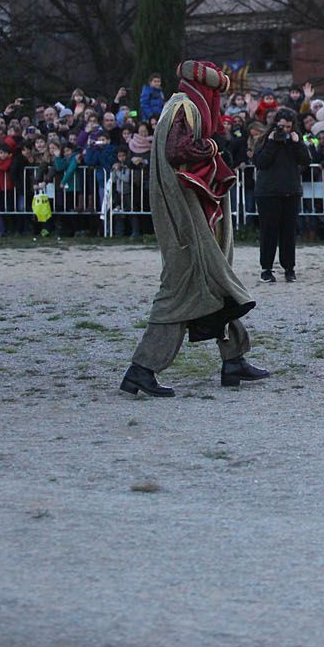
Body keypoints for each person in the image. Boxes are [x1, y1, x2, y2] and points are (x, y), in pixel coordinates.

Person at [120, 60, 269, 398]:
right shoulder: (184, 108)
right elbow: (179, 150)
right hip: (185, 219)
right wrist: (214, 149)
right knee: (182, 291)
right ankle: (141, 369)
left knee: (218, 284)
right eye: (216, 93)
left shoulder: (179, 105)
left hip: (193, 211)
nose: (218, 102)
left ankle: (234, 359)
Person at [252, 106, 306, 283]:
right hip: (268, 192)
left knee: (288, 233)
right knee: (269, 232)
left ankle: (289, 268)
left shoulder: (295, 139)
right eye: (282, 126)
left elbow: (306, 160)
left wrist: (297, 144)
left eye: (289, 127)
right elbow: (260, 162)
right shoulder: (265, 139)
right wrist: (272, 142)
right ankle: (266, 269)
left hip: (291, 191)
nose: (286, 130)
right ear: (276, 124)